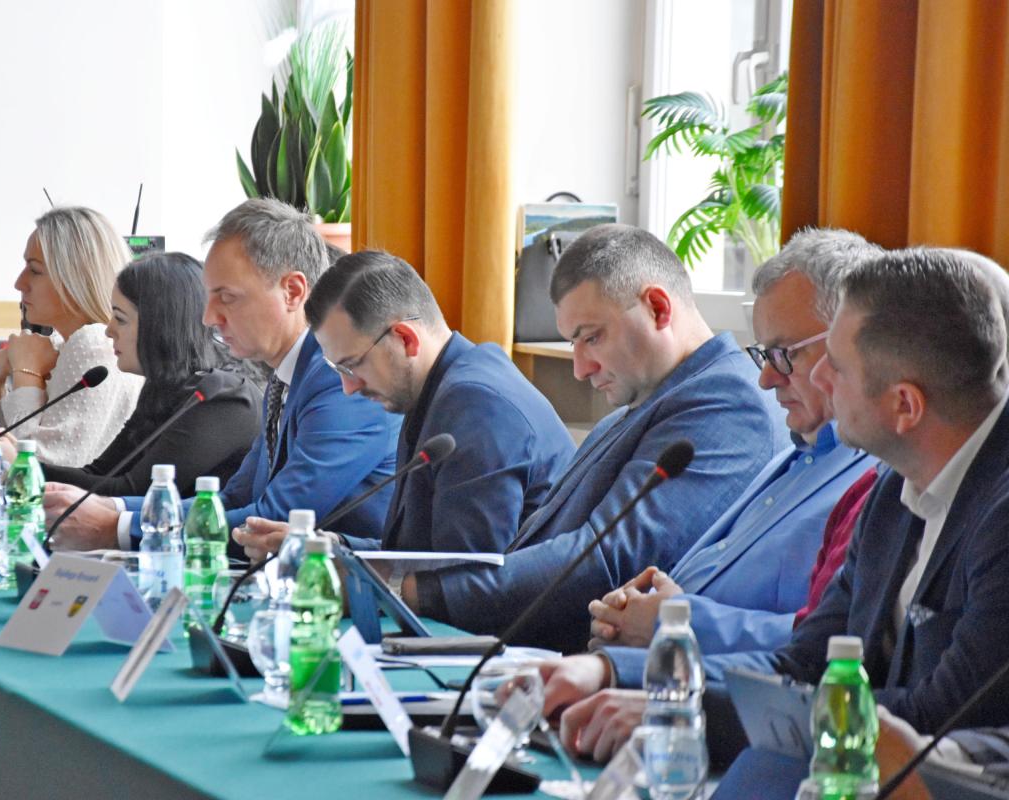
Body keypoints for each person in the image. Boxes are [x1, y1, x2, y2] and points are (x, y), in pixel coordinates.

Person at [390, 223, 788, 653]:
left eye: (592, 338)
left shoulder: (729, 404)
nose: (580, 369)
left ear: (658, 308)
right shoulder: (640, 406)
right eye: (573, 344)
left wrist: (415, 592)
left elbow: (608, 560)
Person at [702, 247, 1009, 794]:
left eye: (837, 366)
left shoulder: (1001, 517)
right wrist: (652, 692)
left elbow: (941, 719)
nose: (819, 377)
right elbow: (805, 662)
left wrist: (774, 718)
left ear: (905, 406)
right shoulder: (891, 489)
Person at [539, 230, 880, 717]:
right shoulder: (793, 458)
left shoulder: (878, 480)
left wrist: (672, 623)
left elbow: (832, 646)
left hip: (717, 717)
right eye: (763, 355)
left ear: (853, 345)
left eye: (784, 354)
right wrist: (634, 613)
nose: (766, 378)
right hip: (646, 686)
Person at [43, 199, 400, 552]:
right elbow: (232, 499)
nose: (209, 317)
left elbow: (274, 517)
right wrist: (110, 507)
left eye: (226, 297)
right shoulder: (287, 376)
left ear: (292, 291)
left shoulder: (340, 381)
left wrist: (117, 528)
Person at [232, 249, 574, 560]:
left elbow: (461, 578)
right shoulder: (440, 386)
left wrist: (340, 566)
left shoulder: (476, 405)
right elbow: (420, 555)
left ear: (405, 339)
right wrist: (325, 547)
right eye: (339, 370)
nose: (348, 388)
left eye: (352, 365)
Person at [39, 252, 261, 503]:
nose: (109, 330)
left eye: (120, 319)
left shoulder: (223, 397)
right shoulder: (164, 385)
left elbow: (134, 492)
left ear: (161, 325)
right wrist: (23, 464)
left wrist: (25, 466)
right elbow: (100, 474)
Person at [0, 206, 142, 467]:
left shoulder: (94, 343)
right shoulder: (64, 345)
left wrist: (26, 373)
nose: (19, 283)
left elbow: (34, 469)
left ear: (76, 278)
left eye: (35, 270)